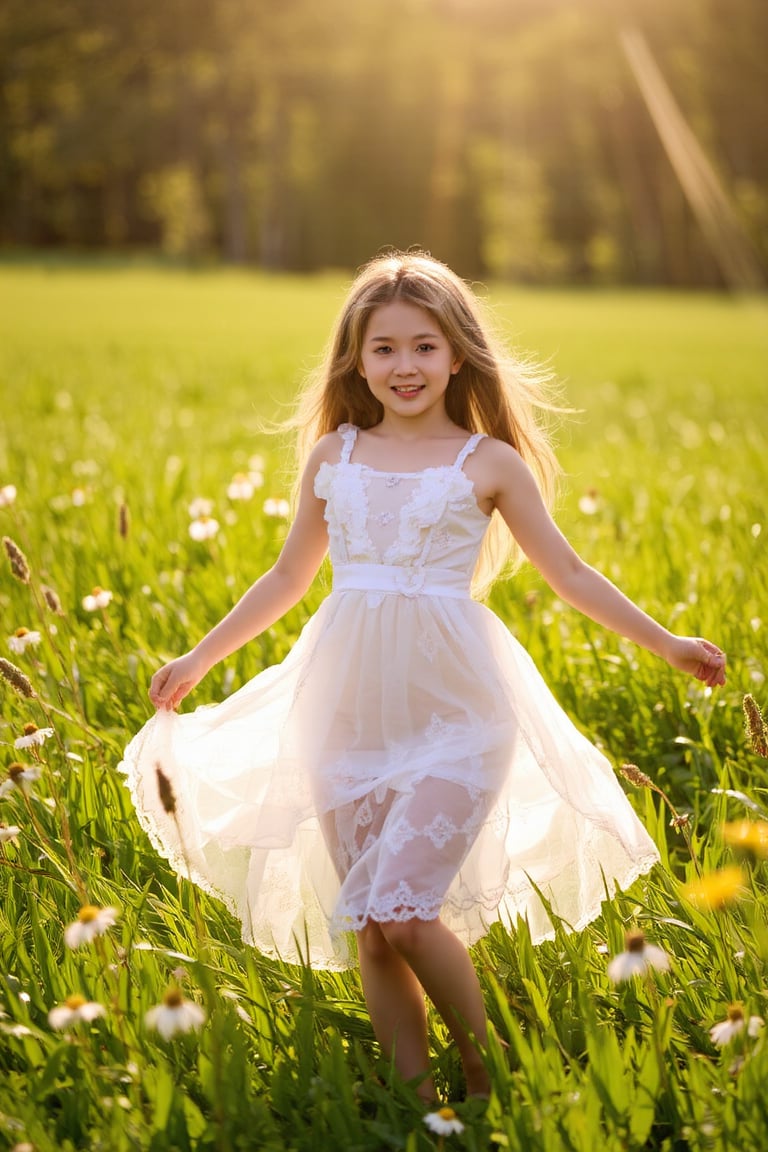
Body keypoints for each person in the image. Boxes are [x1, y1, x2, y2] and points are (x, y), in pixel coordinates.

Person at [120, 250, 726, 1101]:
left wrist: (667, 643)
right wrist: (198, 657)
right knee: (370, 928)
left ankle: (486, 1075)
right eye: (385, 349)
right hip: (343, 711)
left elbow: (573, 576)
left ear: (457, 356)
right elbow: (289, 576)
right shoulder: (337, 455)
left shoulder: (488, 464)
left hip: (459, 712)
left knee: (405, 910)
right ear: (357, 362)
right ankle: (414, 1100)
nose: (405, 366)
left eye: (424, 347)